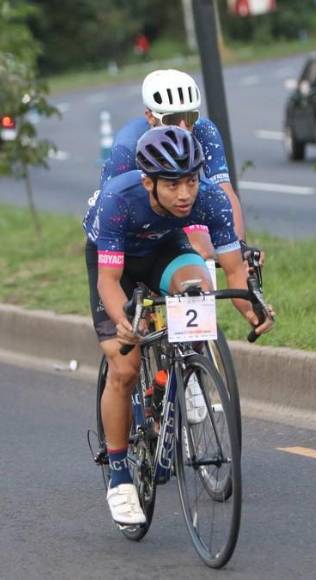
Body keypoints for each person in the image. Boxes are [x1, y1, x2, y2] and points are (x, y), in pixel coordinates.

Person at [84, 126, 273, 525]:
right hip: (114, 262)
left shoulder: (209, 199)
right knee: (124, 366)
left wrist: (253, 310)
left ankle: (179, 372)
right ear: (149, 181)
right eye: (172, 184)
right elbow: (109, 283)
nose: (185, 193)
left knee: (198, 287)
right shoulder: (120, 199)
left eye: (190, 180)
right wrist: (125, 323)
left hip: (164, 249)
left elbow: (234, 271)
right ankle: (119, 477)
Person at [99, 69, 249, 260]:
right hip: (136, 222)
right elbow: (114, 208)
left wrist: (240, 247)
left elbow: (225, 192)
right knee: (198, 246)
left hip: (181, 207)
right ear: (150, 117)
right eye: (171, 119)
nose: (183, 128)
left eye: (189, 117)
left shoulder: (205, 130)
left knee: (209, 251)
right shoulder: (128, 145)